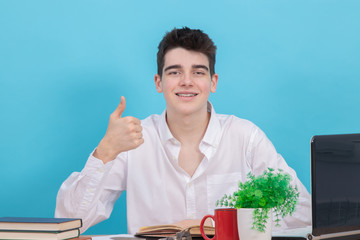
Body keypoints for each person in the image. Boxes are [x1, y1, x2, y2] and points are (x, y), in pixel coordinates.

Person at [55, 27, 311, 234]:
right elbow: (69, 222)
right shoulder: (133, 140)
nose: (187, 81)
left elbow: (302, 214)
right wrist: (106, 152)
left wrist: (246, 225)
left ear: (213, 82)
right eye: (175, 72)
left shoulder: (246, 137)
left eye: (198, 72)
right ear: (159, 82)